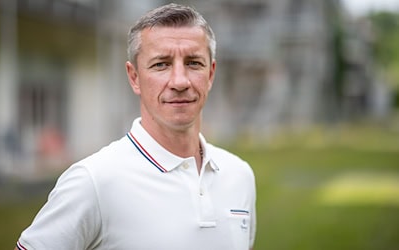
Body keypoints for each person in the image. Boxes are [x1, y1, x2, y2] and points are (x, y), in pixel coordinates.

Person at [15, 3, 256, 250]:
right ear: (134, 78)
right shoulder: (94, 181)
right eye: (161, 64)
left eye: (194, 63)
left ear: (211, 74)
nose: (180, 81)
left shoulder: (239, 176)